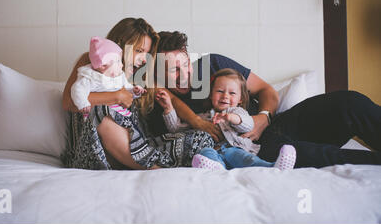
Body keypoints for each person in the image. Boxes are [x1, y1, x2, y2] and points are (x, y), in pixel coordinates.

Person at [149, 31, 381, 168]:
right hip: (252, 151)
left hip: (275, 124)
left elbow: (267, 91)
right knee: (304, 153)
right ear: (157, 73)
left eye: (186, 64)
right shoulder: (158, 101)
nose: (185, 75)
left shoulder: (213, 65)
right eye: (173, 71)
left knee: (350, 103)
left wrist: (263, 117)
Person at [61, 18, 215, 170]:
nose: (143, 59)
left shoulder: (138, 73)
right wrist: (118, 96)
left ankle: (148, 162)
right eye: (139, 51)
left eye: (146, 53)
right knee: (102, 111)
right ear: (121, 44)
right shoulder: (93, 63)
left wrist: (197, 122)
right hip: (94, 149)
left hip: (139, 146)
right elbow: (69, 102)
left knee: (201, 138)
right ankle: (154, 169)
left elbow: (171, 98)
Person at [156, 68, 296, 171]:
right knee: (205, 153)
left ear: (240, 99)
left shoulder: (238, 112)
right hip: (213, 150)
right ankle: (217, 168)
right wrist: (168, 108)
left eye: (232, 93)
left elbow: (248, 125)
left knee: (247, 159)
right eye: (219, 91)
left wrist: (231, 118)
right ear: (211, 95)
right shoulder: (203, 117)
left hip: (234, 149)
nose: (225, 96)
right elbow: (177, 128)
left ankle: (273, 169)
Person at [71, 36, 146, 118]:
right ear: (103, 66)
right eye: (118, 61)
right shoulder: (90, 78)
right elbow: (78, 89)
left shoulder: (120, 76)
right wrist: (83, 104)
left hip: (119, 113)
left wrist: (135, 90)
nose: (122, 65)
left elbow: (127, 88)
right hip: (99, 115)